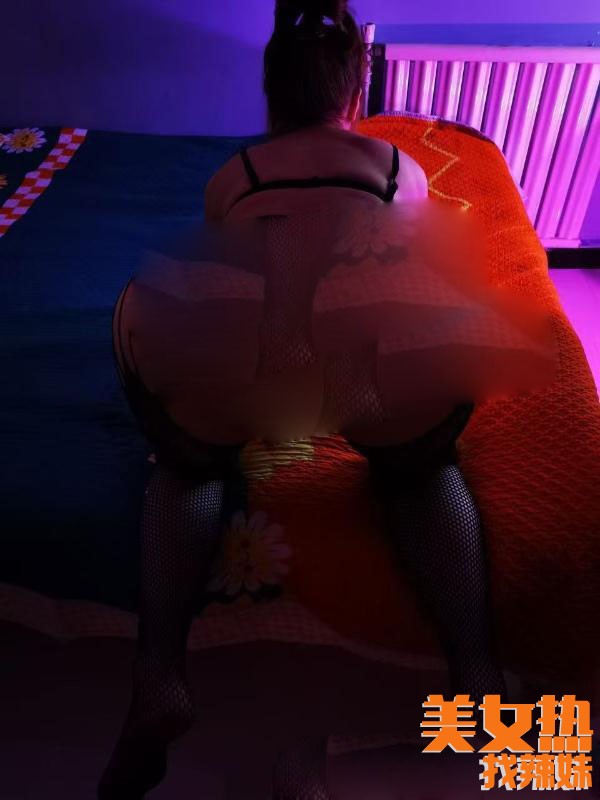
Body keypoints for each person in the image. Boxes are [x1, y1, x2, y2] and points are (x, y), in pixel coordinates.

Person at [98, 1, 555, 797]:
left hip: (257, 363)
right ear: (353, 95)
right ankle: (476, 669)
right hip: (365, 368)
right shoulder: (400, 169)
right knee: (420, 471)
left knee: (186, 463)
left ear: (271, 97)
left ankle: (160, 671)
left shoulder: (234, 174)